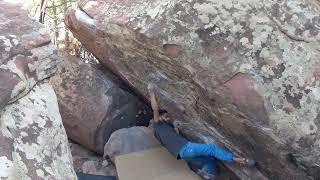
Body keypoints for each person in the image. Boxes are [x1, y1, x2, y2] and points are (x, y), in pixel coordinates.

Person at [148, 83, 255, 179]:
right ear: (159, 117)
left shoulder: (159, 133)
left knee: (210, 161)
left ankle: (207, 174)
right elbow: (155, 109)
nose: (168, 119)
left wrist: (173, 124)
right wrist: (152, 93)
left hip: (183, 155)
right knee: (211, 148)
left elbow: (172, 132)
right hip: (186, 149)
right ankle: (240, 160)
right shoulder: (158, 125)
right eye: (166, 117)